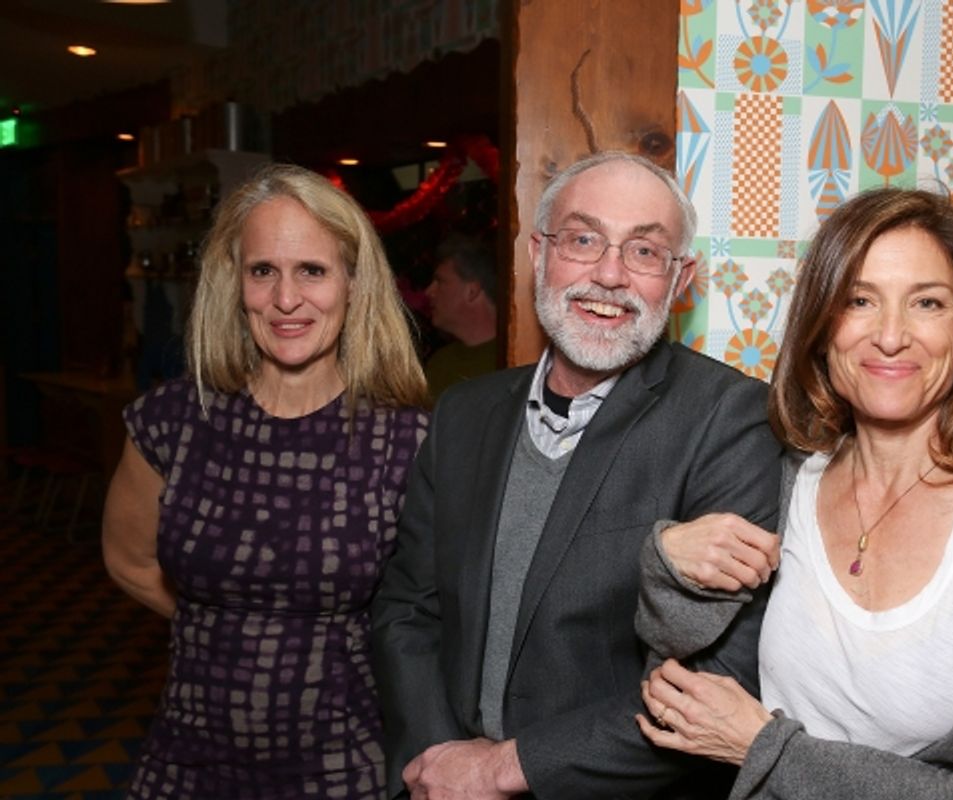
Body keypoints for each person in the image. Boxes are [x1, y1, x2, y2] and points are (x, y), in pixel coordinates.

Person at [635, 187, 953, 800]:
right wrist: (668, 563)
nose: (890, 336)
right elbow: (670, 687)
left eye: (927, 303)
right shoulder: (782, 475)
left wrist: (767, 752)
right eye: (859, 300)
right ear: (823, 328)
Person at [370, 151, 782, 800]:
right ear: (538, 254)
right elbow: (406, 610)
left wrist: (500, 769)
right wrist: (439, 758)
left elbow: (712, 682)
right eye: (583, 239)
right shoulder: (464, 414)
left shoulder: (732, 422)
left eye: (645, 252)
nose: (609, 274)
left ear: (681, 280)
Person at [101, 163, 429, 799]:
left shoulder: (409, 441)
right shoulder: (171, 421)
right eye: (263, 271)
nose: (286, 300)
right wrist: (235, 633)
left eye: (312, 270)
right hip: (190, 758)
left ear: (354, 284)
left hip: (343, 762)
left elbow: (432, 616)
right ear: (235, 283)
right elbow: (129, 561)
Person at [423, 234, 500, 400]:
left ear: (472, 291)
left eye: (440, 281)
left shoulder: (517, 356)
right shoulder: (439, 364)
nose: (429, 292)